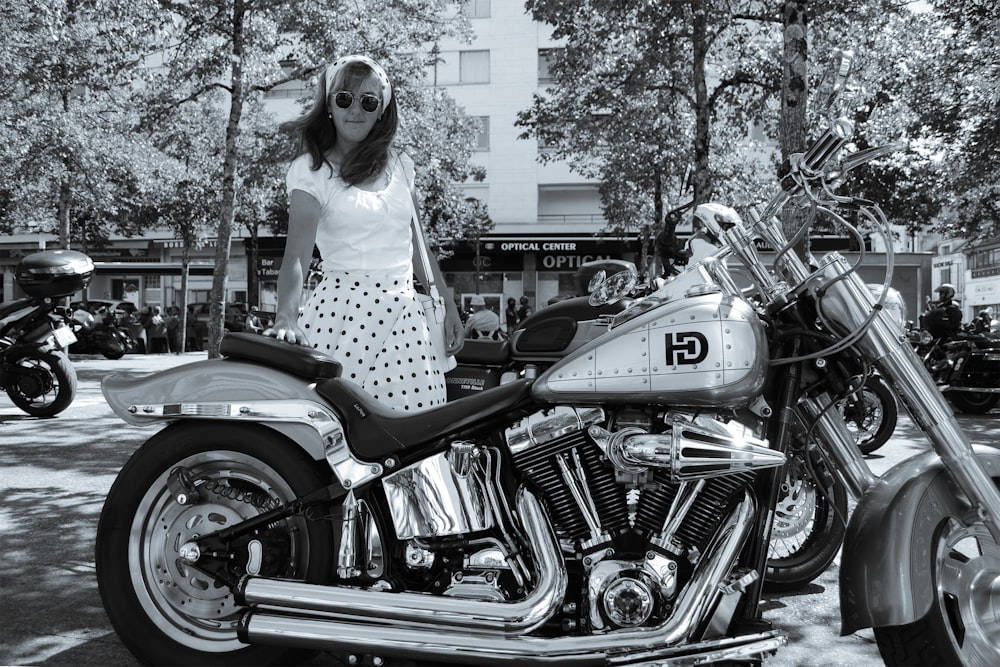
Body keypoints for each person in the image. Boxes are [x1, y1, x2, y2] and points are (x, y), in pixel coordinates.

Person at [267, 54, 463, 412]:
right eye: (344, 98)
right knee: (332, 435)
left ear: (381, 111)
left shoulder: (401, 166)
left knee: (411, 434)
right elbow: (296, 255)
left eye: (368, 101)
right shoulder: (311, 171)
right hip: (341, 319)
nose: (355, 110)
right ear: (328, 105)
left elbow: (419, 249)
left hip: (407, 325)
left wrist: (448, 305)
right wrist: (286, 316)